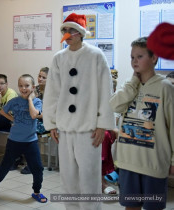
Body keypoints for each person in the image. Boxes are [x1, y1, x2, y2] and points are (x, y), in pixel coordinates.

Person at [43, 13, 115, 210]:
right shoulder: (59, 58)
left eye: (72, 30)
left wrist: (103, 125)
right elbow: (52, 93)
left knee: (90, 178)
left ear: (81, 33)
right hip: (65, 129)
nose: (68, 34)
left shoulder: (95, 56)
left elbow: (105, 91)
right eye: (65, 30)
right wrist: (52, 124)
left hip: (89, 129)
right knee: (68, 178)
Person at [110, 37, 174, 210]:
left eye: (139, 56)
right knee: (130, 207)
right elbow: (114, 106)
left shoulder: (165, 87)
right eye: (132, 57)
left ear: (154, 58)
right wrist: (133, 83)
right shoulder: (129, 85)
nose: (134, 61)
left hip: (153, 163)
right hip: (128, 162)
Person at [0, 74, 47, 203]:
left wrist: (30, 100)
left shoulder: (37, 102)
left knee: (38, 168)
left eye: (27, 86)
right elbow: (0, 112)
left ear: (33, 87)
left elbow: (34, 115)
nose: (23, 88)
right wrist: (13, 119)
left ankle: (36, 191)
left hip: (31, 141)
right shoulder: (14, 101)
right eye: (21, 86)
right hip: (14, 141)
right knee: (5, 166)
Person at [20, 67, 49, 174]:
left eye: (43, 77)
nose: (40, 79)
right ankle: (17, 158)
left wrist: (34, 115)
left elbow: (49, 115)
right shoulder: (34, 89)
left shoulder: (52, 93)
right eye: (39, 76)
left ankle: (33, 164)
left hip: (46, 122)